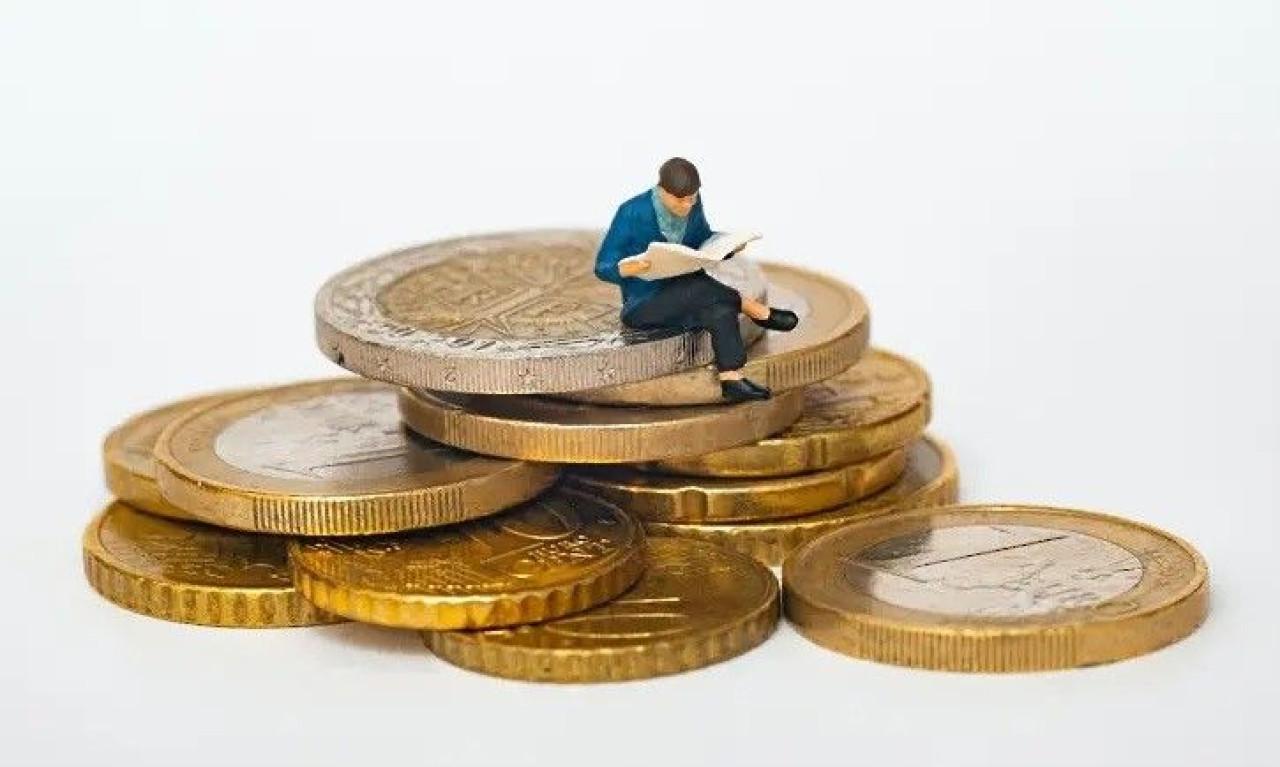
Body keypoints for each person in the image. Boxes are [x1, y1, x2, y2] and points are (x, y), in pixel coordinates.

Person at [594, 157, 799, 402]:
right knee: (695, 286)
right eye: (680, 199)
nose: (687, 205)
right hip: (645, 304)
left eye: (692, 198)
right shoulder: (632, 211)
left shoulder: (694, 204)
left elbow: (702, 240)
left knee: (720, 308)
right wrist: (629, 268)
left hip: (692, 296)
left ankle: (731, 379)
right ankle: (757, 310)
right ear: (662, 190)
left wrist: (727, 247)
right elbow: (603, 265)